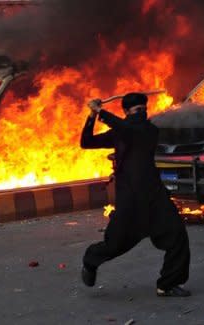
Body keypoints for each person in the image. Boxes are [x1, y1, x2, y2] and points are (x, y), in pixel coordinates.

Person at [80, 93, 191, 297]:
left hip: (154, 197)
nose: (143, 113)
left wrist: (101, 112)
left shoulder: (148, 130)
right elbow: (86, 142)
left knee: (177, 236)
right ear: (127, 112)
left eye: (144, 109)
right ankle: (90, 260)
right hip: (129, 201)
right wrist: (91, 116)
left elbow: (129, 129)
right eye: (137, 110)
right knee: (115, 244)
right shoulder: (119, 133)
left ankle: (168, 284)